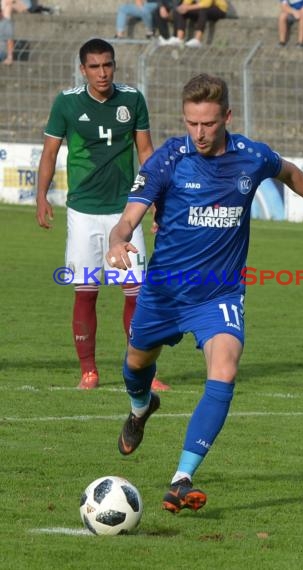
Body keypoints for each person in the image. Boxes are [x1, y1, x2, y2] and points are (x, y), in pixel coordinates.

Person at [105, 73, 303, 513]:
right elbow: (128, 219)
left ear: (227, 117)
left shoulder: (250, 156)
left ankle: (182, 478)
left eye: (208, 124)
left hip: (217, 295)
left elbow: (290, 172)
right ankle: (141, 409)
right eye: (191, 123)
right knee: (135, 364)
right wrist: (117, 240)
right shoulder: (168, 159)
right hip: (164, 291)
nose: (199, 133)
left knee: (225, 368)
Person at [36, 38, 169, 392]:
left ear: (114, 65)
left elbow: (146, 151)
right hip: (83, 212)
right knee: (86, 291)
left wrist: (158, 197)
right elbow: (49, 154)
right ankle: (89, 372)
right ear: (83, 70)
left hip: (127, 212)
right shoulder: (66, 103)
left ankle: (144, 372)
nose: (102, 72)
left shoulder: (132, 99)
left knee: (136, 293)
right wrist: (41, 196)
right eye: (94, 66)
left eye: (107, 65)